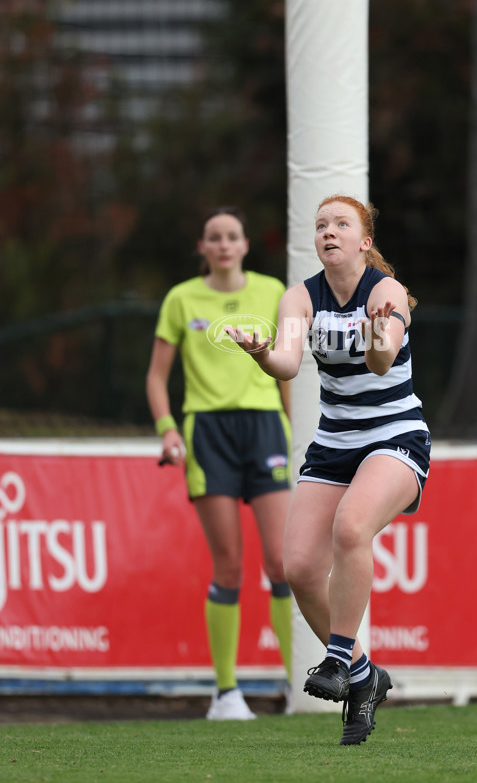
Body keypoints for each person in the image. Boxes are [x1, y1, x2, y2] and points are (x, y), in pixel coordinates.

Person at [226, 194, 431, 745]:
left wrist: (376, 331)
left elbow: (381, 360)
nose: (329, 232)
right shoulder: (300, 298)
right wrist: (260, 352)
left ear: (364, 241)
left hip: (395, 435)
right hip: (335, 443)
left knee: (350, 527)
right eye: (321, 226)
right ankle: (364, 677)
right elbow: (288, 365)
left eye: (341, 224)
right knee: (297, 566)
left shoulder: (384, 293)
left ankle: (339, 660)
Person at [146, 207, 293, 721]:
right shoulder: (182, 298)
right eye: (215, 237)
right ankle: (226, 694)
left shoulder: (273, 290)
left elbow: (287, 372)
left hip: (266, 427)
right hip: (207, 432)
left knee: (282, 562)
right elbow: (157, 378)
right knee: (229, 565)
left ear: (246, 244)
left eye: (232, 236)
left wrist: (294, 435)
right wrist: (168, 431)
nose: (225, 244)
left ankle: (300, 686)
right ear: (203, 247)